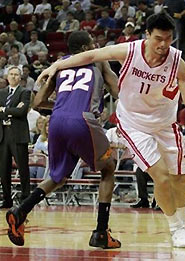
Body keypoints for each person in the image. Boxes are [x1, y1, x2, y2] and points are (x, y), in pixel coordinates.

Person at [37, 11, 185, 248]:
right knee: (161, 177)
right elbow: (92, 54)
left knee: (179, 176)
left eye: (168, 39)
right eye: (158, 38)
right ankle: (175, 228)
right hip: (134, 125)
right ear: (147, 35)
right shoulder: (129, 51)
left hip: (166, 125)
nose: (163, 44)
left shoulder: (178, 63)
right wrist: (57, 65)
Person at [6, 31, 121, 249]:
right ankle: (101, 232)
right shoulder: (97, 59)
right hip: (83, 121)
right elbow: (117, 91)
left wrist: (62, 106)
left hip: (56, 122)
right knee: (108, 168)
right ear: (87, 48)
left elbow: (38, 101)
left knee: (58, 176)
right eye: (93, 43)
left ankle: (21, 210)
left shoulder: (59, 64)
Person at [0, 66, 31, 208]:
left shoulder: (25, 92)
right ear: (7, 77)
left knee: (23, 168)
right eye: (11, 74)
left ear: (20, 77)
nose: (13, 77)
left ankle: (26, 199)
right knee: (3, 170)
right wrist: (13, 110)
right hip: (3, 134)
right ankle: (7, 199)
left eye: (16, 75)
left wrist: (4, 110)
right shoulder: (1, 93)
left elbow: (22, 111)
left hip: (18, 135)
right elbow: (16, 110)